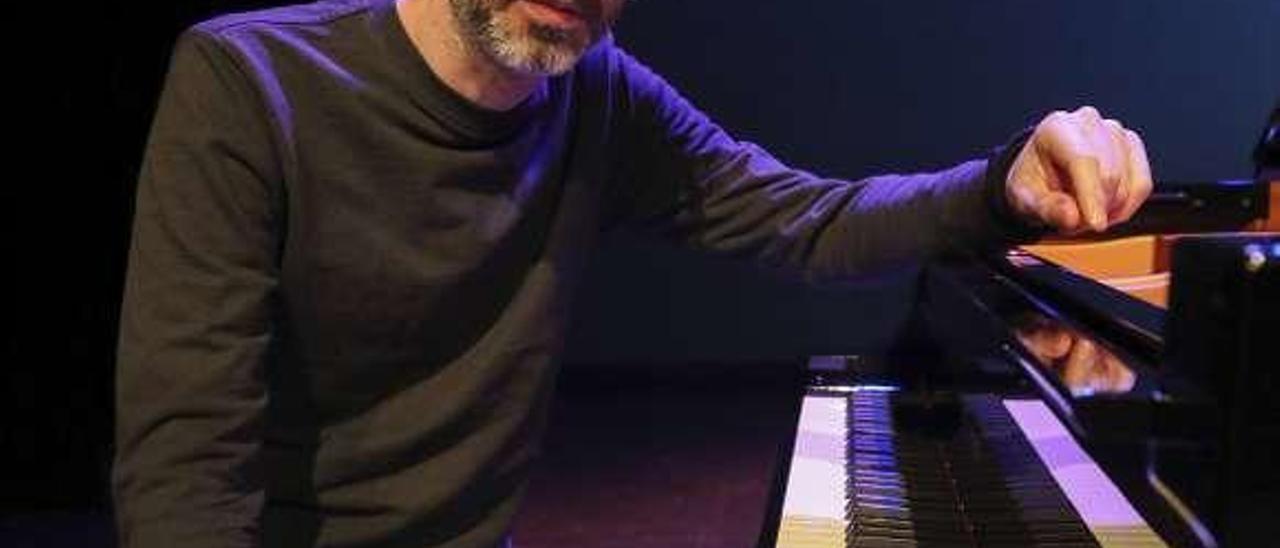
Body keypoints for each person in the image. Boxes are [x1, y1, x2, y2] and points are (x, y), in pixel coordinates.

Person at [111, 0, 1153, 546]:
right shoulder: (247, 82)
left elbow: (809, 219)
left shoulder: (598, 95)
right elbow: (186, 474)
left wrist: (998, 183)